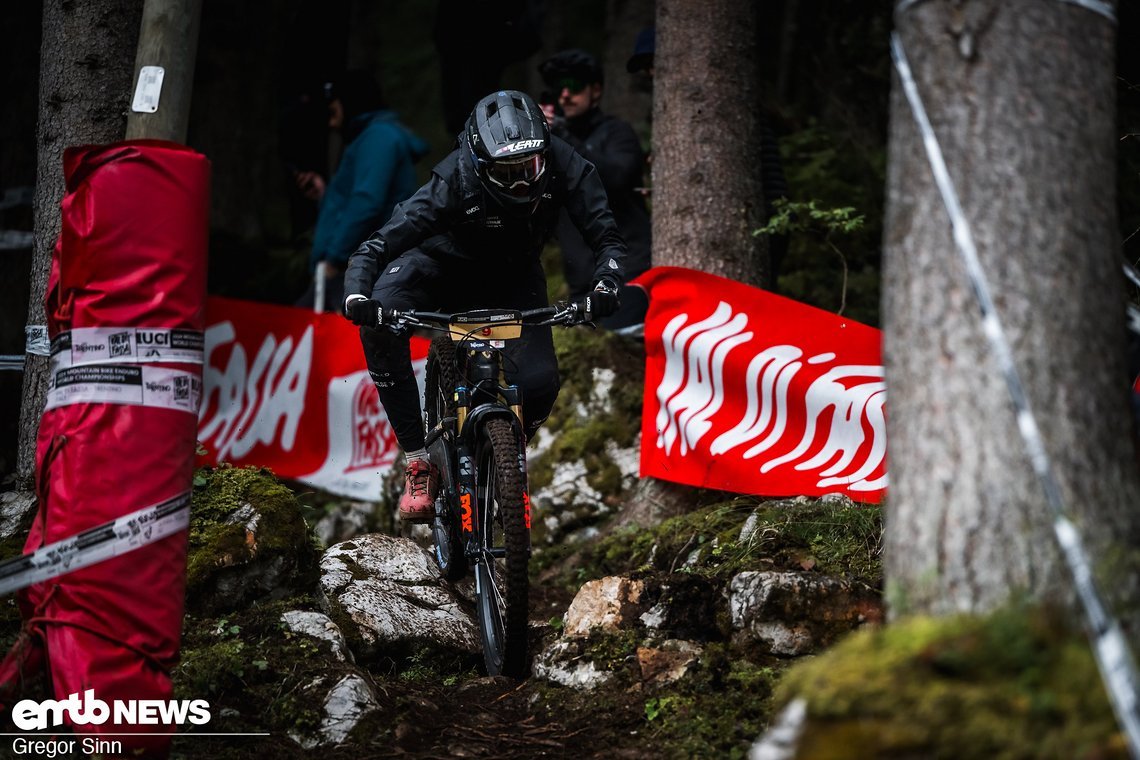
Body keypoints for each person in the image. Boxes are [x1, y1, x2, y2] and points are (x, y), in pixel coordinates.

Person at [342, 90, 627, 521]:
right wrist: (358, 295)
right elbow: (377, 246)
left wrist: (605, 284)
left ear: (544, 153)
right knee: (378, 326)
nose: (521, 183)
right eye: (507, 172)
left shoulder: (564, 162)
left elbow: (606, 237)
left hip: (512, 275)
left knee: (541, 384)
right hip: (437, 266)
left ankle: (507, 451)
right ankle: (418, 458)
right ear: (478, 163)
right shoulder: (452, 180)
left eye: (529, 168)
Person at [296, 70, 429, 312]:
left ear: (350, 103)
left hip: (357, 266)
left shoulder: (378, 137)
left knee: (317, 334)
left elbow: (367, 201)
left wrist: (335, 258)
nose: (330, 121)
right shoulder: (371, 138)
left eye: (333, 110)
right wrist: (327, 196)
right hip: (354, 262)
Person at [537, 49, 651, 332]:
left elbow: (615, 177)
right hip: (580, 284)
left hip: (628, 274)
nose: (565, 95)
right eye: (558, 87)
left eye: (574, 86)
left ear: (596, 91)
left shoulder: (617, 132)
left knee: (624, 354)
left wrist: (560, 135)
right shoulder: (548, 145)